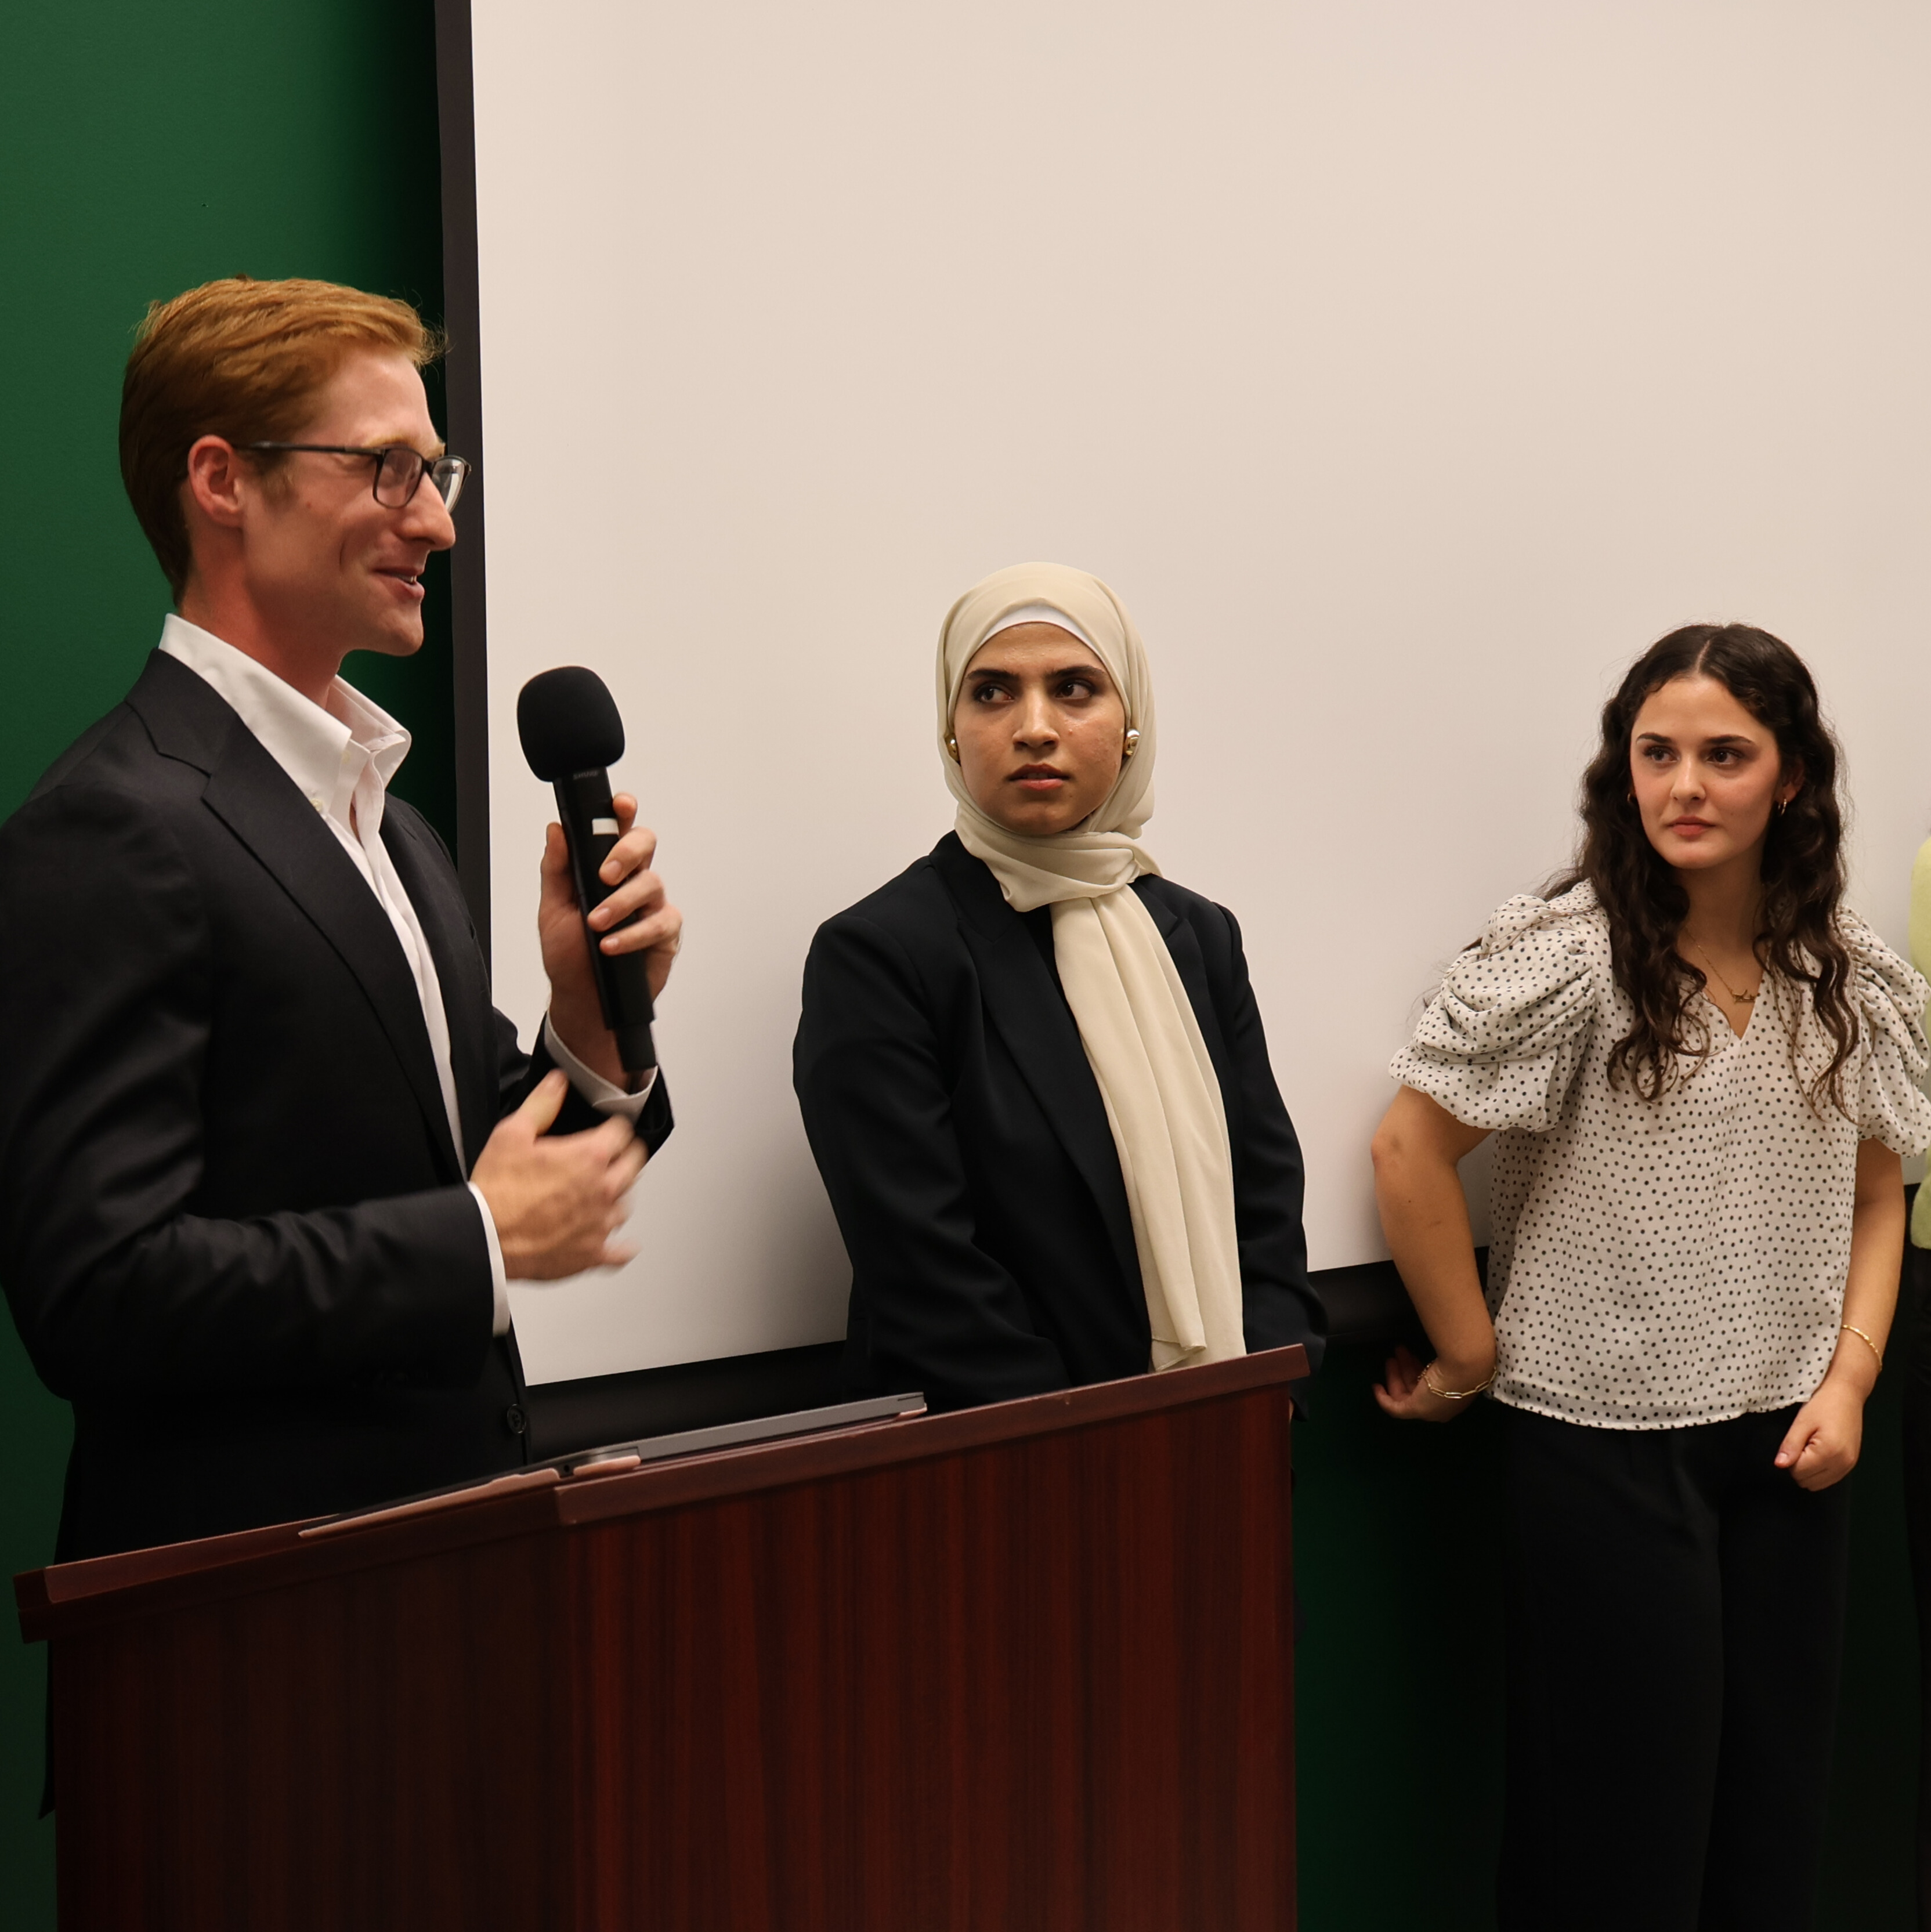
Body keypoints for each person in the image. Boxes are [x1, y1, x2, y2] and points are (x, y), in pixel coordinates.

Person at [0, 277, 681, 1562]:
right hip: (251, 1649)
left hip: (442, 1592)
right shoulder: (113, 826)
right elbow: (95, 1291)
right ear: (222, 482)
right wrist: (473, 1241)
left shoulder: (391, 827)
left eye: (437, 474)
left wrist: (588, 1031)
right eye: (385, 469)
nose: (434, 522)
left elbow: (497, 1168)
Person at [1372, 623, 1930, 1931]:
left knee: (1771, 1819)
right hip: (1601, 1449)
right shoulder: (1570, 958)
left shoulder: (1838, 972)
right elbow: (1407, 1150)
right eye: (1655, 753)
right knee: (1619, 1833)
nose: (1683, 785)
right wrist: (1467, 1357)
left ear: (1788, 779)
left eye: (1723, 756)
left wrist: (1847, 1383)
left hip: (1793, 1444)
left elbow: (1873, 1193)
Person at [793, 560, 1322, 1411]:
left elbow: (1264, 1203)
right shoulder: (882, 954)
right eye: (993, 693)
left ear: (1130, 726)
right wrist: (1093, 1454)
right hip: (1005, 1469)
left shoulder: (1199, 937)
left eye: (1074, 689)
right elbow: (925, 1269)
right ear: (952, 728)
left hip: (1225, 1447)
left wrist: (1265, 1395)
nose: (1034, 726)